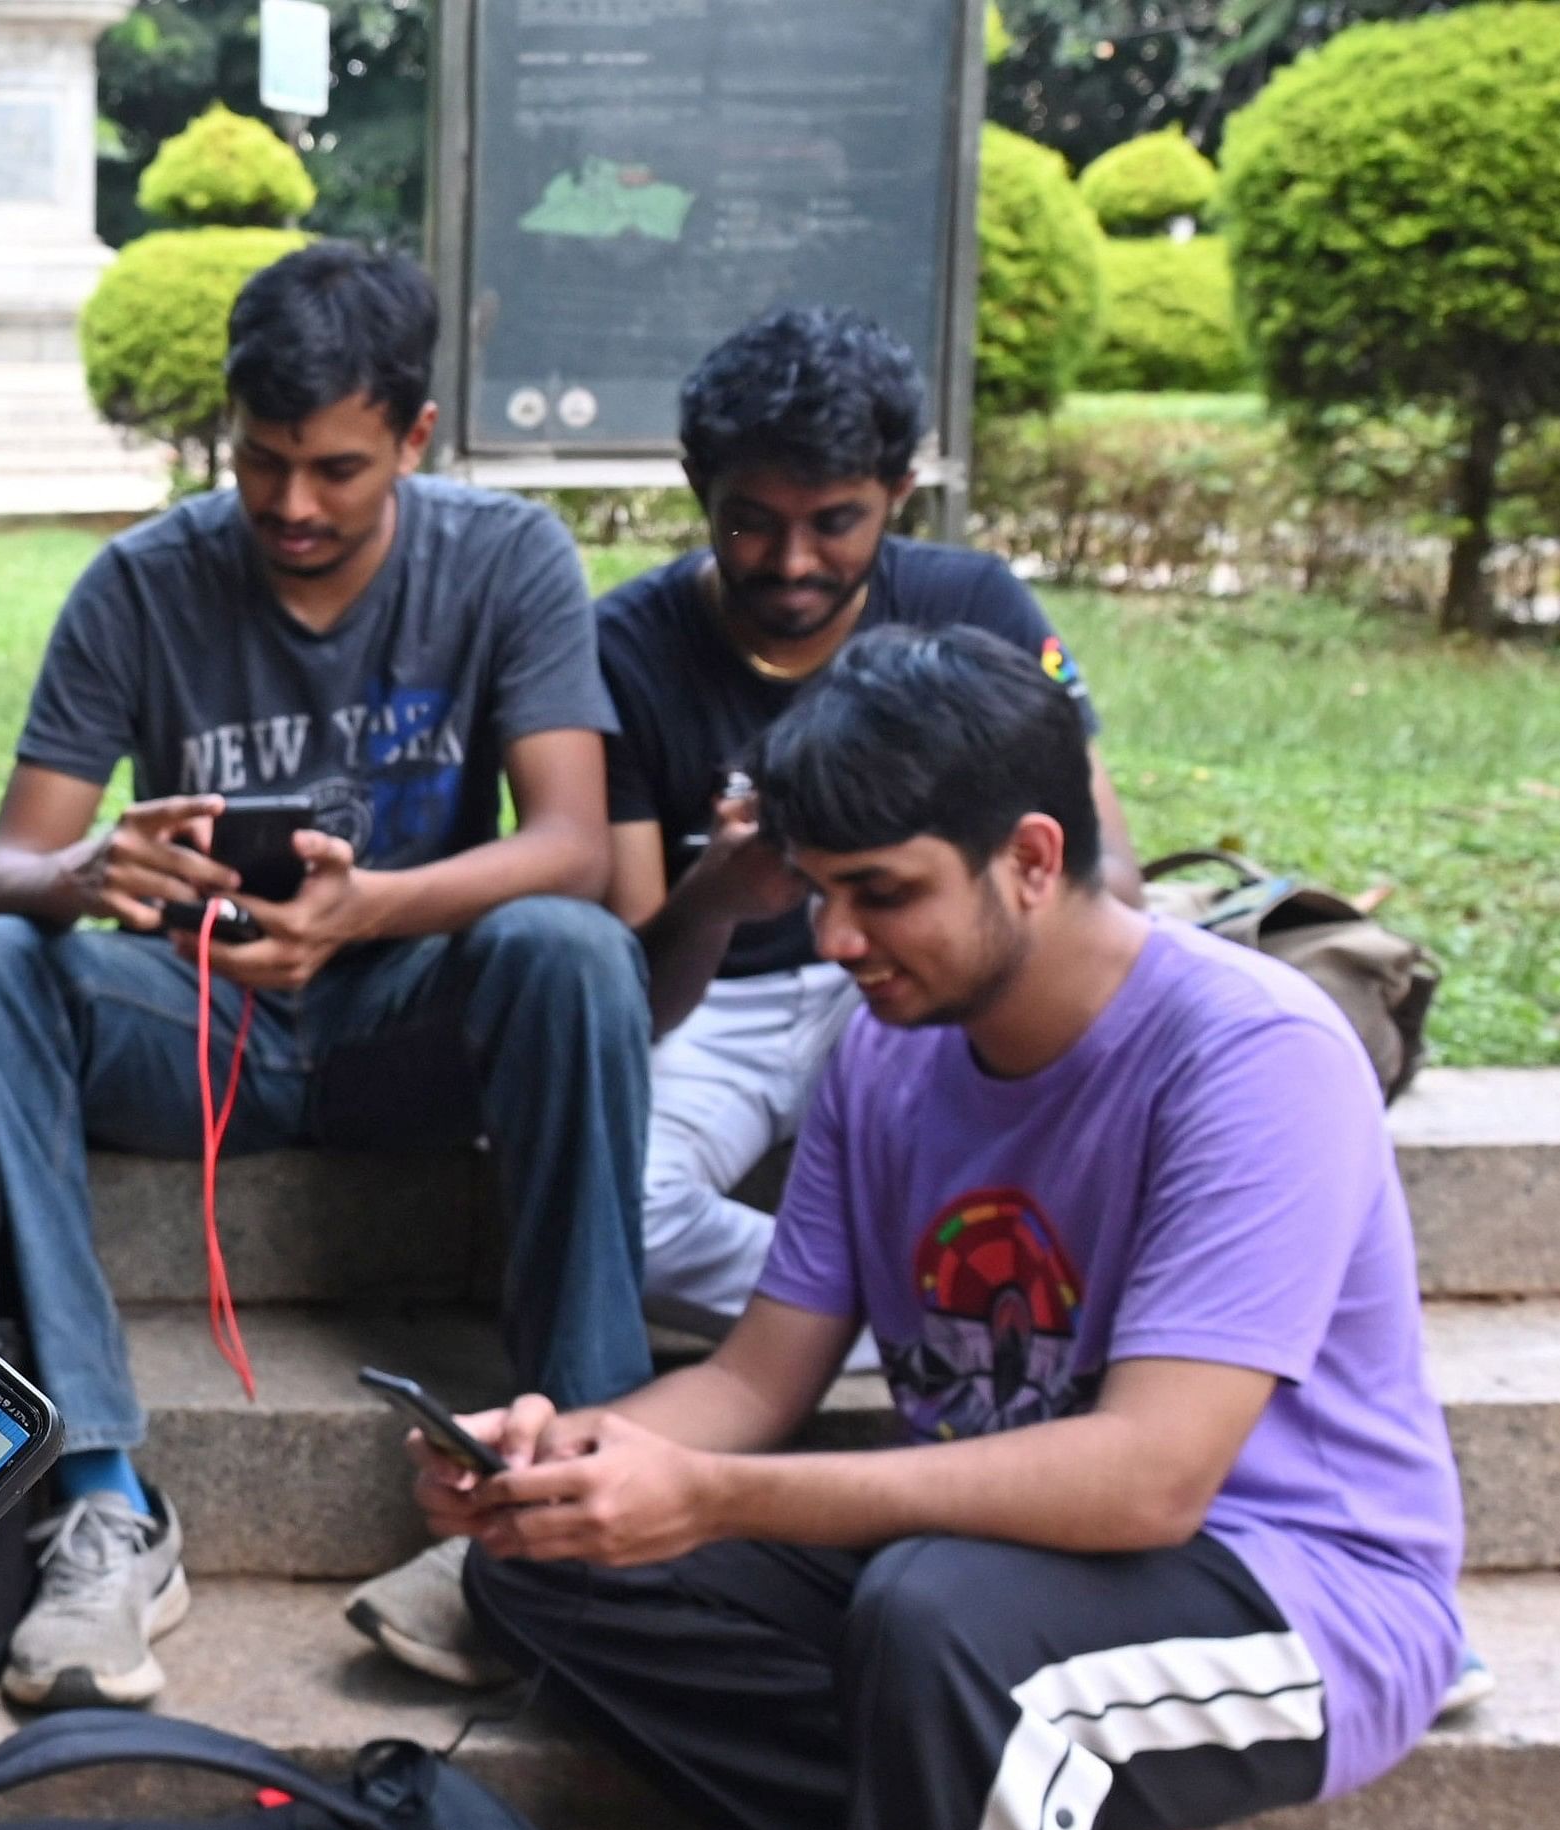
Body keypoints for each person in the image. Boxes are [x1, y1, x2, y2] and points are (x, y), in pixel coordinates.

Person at [426, 625, 1463, 1830]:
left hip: (1300, 1601)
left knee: (943, 1621)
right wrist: (579, 1461)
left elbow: (1148, 1483)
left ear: (1031, 857)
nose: (836, 937)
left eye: (882, 890)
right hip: (999, 1581)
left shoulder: (1250, 1055)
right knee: (550, 1566)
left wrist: (717, 1496)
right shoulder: (883, 1057)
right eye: (819, 889)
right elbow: (757, 1378)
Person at [344, 306, 1140, 1687]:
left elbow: (1096, 861)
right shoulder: (633, 644)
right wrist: (729, 887)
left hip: (935, 982)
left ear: (899, 492)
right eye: (748, 521)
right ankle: (909, 1309)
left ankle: (902, 1305)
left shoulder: (977, 610)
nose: (790, 560)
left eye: (835, 521)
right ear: (699, 499)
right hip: (729, 999)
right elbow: (630, 990)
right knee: (630, 1196)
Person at [0, 241, 650, 1710]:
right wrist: (90, 872)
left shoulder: (505, 557)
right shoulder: (141, 581)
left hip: (405, 1021)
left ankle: (571, 1472)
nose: (293, 505)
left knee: (571, 950)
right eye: (261, 463)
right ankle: (104, 1496)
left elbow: (574, 844)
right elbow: (11, 865)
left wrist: (372, 911)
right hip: (206, 1026)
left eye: (337, 469)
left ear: (417, 440)